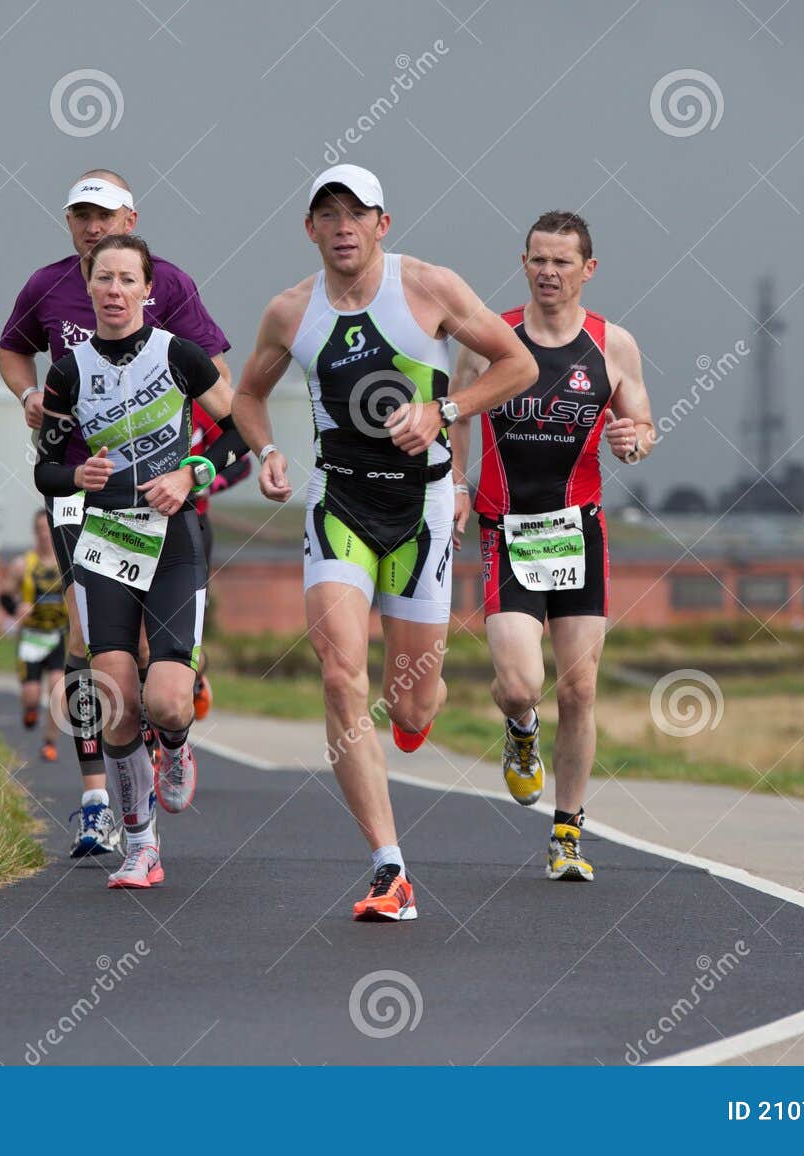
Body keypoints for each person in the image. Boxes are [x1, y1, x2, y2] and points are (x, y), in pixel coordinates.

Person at [231, 165, 537, 921]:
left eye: (355, 214)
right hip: (338, 498)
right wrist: (266, 449)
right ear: (309, 229)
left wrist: (448, 408)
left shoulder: (429, 288)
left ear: (382, 224)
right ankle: (389, 867)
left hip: (422, 505)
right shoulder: (289, 312)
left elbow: (518, 363)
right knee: (340, 676)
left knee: (409, 703)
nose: (342, 226)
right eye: (327, 214)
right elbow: (246, 395)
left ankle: (421, 714)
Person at [0, 168, 232, 852]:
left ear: (131, 220)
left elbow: (214, 375)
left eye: (104, 214)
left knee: (154, 666)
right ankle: (99, 799)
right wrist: (28, 400)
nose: (93, 226)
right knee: (88, 645)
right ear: (69, 224)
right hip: (81, 489)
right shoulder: (45, 287)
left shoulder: (170, 284)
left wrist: (200, 464)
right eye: (80, 215)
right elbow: (14, 351)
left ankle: (175, 707)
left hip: (165, 489)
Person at [34, 234, 247, 890]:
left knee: (167, 702)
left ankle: (177, 746)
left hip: (174, 536)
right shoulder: (67, 371)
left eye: (129, 279)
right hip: (106, 543)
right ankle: (140, 845)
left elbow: (241, 435)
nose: (116, 290)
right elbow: (45, 469)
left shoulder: (178, 355)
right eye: (105, 279)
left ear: (148, 291)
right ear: (90, 288)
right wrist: (78, 475)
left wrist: (194, 472)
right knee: (117, 699)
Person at [449, 210, 655, 882]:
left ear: (587, 269)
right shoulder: (490, 338)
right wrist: (454, 484)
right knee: (517, 685)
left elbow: (641, 421)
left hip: (579, 532)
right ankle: (519, 731)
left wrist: (635, 440)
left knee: (581, 688)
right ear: (524, 262)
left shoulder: (612, 344)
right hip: (505, 528)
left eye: (562, 262)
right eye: (538, 259)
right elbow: (455, 411)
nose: (548, 273)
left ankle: (567, 834)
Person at [186, 404, 253, 719]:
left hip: (192, 528)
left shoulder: (200, 406)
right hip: (131, 530)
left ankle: (193, 682)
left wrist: (207, 484)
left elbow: (241, 463)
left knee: (185, 630)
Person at [1, 511, 72, 768]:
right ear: (35, 532)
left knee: (57, 689)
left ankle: (49, 742)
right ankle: (30, 709)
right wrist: (16, 606)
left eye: (48, 528)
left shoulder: (68, 562)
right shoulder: (22, 564)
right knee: (32, 694)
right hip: (31, 638)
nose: (44, 533)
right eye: (40, 529)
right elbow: (5, 595)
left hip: (57, 636)